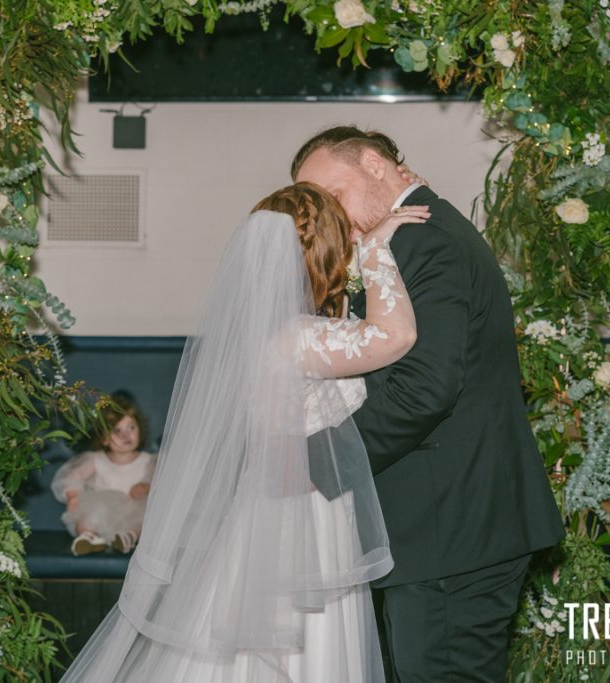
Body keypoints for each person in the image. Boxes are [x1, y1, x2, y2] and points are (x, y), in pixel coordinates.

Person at [58, 182, 430, 683]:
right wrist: (376, 250)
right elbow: (397, 336)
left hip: (273, 512)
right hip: (306, 523)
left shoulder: (270, 334)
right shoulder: (298, 337)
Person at [293, 126, 566, 683]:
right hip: (442, 526)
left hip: (450, 526)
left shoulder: (425, 241)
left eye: (334, 194)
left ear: (374, 164)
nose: (331, 215)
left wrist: (319, 460)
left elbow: (424, 389)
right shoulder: (405, 236)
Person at [52, 392, 155, 555]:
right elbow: (72, 476)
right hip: (103, 513)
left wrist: (146, 487)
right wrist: (72, 495)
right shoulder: (96, 460)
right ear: (104, 438)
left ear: (140, 430)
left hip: (133, 511)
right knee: (87, 513)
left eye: (131, 427)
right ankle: (87, 537)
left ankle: (129, 537)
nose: (125, 435)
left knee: (146, 517)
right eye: (117, 430)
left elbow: (161, 482)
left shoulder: (149, 461)